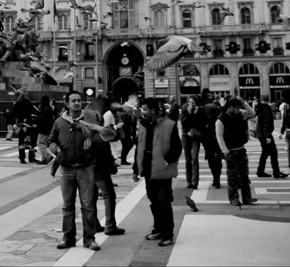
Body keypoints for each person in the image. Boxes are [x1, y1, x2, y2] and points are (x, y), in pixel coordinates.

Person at [48, 90, 101, 251]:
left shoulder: (89, 120)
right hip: (67, 169)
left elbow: (101, 137)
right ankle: (68, 237)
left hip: (85, 168)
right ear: (67, 104)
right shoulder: (59, 122)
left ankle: (89, 239)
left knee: (88, 205)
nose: (77, 103)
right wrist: (56, 150)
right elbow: (51, 140)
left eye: (79, 100)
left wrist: (92, 142)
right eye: (74, 101)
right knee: (67, 205)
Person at [134, 97, 181, 246]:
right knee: (153, 200)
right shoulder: (142, 125)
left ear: (153, 110)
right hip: (148, 169)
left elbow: (176, 147)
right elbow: (139, 147)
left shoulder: (169, 125)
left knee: (163, 202)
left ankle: (168, 233)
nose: (143, 112)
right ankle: (158, 229)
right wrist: (136, 169)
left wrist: (167, 159)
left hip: (162, 169)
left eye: (145, 109)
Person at [84, 98, 124, 237]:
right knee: (109, 195)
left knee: (93, 196)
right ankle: (110, 225)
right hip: (99, 167)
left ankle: (95, 224)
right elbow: (106, 147)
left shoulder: (86, 129)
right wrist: (112, 166)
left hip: (88, 167)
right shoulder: (98, 133)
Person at [216, 97, 257, 206]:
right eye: (237, 108)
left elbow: (252, 113)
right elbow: (219, 137)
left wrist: (244, 103)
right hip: (231, 151)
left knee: (245, 176)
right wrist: (225, 152)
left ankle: (247, 198)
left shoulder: (240, 114)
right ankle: (233, 198)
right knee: (232, 178)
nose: (239, 110)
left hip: (241, 149)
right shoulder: (221, 119)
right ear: (231, 107)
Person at [178, 95, 208, 188]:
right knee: (188, 159)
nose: (191, 104)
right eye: (189, 102)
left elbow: (202, 123)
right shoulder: (184, 109)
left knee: (195, 158)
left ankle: (195, 181)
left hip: (196, 136)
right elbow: (183, 122)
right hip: (186, 136)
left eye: (193, 103)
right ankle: (189, 181)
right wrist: (189, 113)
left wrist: (195, 114)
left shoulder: (201, 111)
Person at [255, 94, 287, 178]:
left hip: (261, 134)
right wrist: (267, 136)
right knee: (273, 152)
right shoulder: (266, 108)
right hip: (266, 135)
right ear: (268, 99)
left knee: (265, 153)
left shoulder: (259, 107)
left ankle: (260, 171)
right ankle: (275, 172)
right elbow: (266, 123)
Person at [199, 90, 224, 188]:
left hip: (206, 135)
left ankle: (215, 178)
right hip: (216, 134)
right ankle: (216, 178)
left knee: (210, 157)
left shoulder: (201, 106)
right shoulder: (216, 104)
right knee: (218, 158)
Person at [35, 95, 55, 165]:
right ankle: (44, 158)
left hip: (44, 129)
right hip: (46, 128)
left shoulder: (46, 109)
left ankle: (48, 155)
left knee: (40, 143)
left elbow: (42, 119)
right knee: (42, 143)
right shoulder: (48, 109)